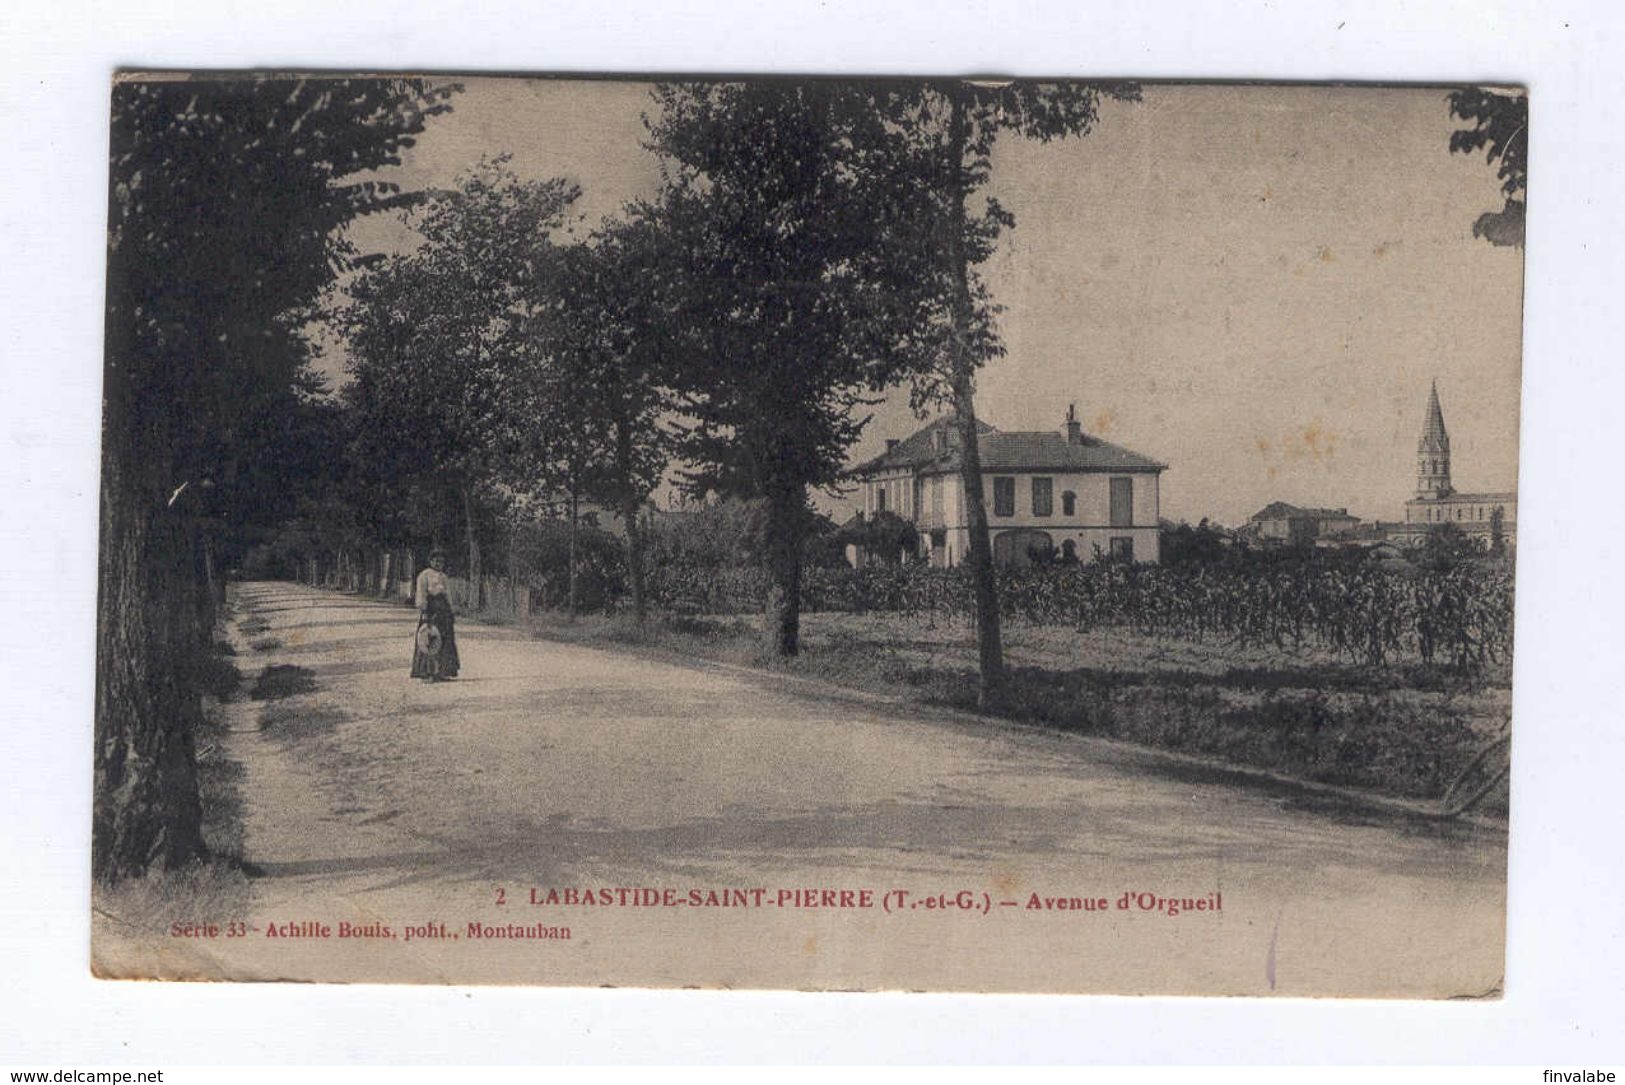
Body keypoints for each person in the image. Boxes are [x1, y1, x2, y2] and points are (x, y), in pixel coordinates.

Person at [410, 548, 461, 681]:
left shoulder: (444, 577)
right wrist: (424, 610)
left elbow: (448, 595)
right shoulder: (424, 575)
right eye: (436, 561)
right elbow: (421, 594)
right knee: (430, 639)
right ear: (431, 561)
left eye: (441, 562)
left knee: (444, 639)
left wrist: (451, 611)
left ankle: (442, 671)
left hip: (443, 611)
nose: (439, 564)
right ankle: (427, 672)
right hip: (431, 610)